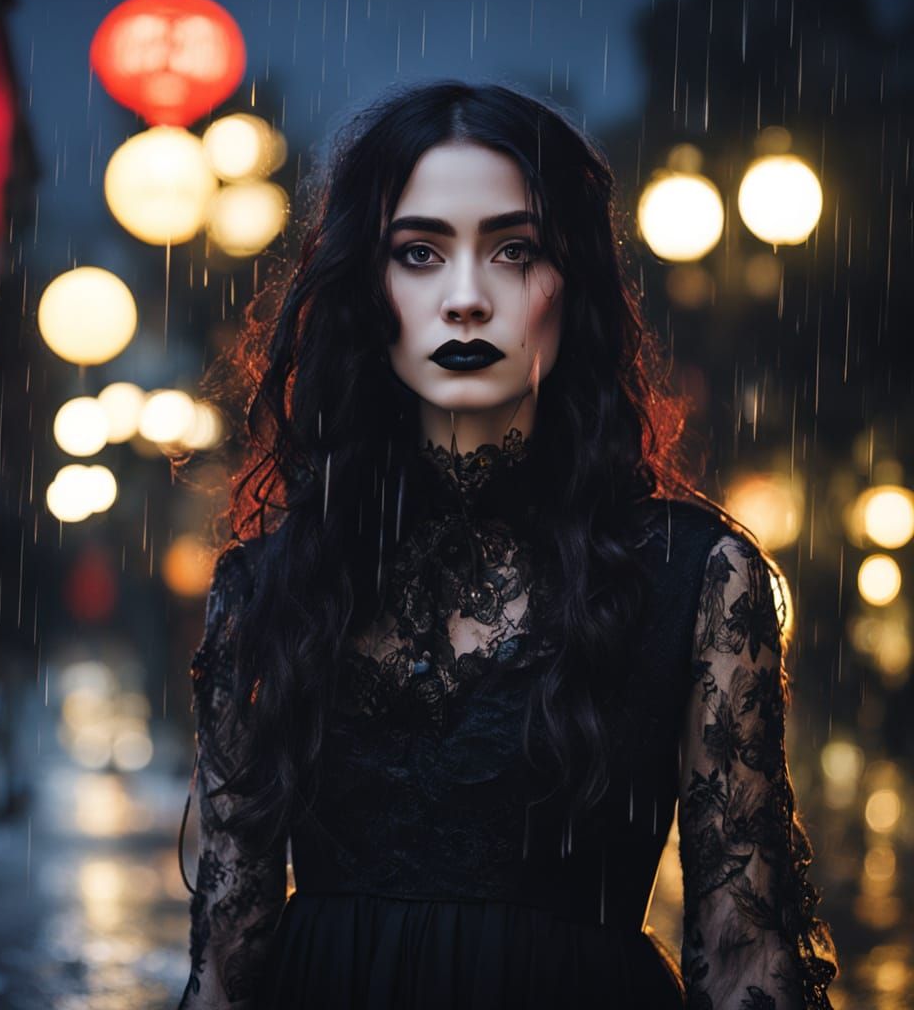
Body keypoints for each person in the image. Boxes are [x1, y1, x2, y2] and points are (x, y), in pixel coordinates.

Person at [176, 80, 839, 1009]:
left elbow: (744, 956)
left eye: (513, 251)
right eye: (418, 252)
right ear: (371, 289)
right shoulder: (272, 588)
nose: (464, 300)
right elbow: (225, 963)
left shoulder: (694, 578)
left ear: (571, 285)